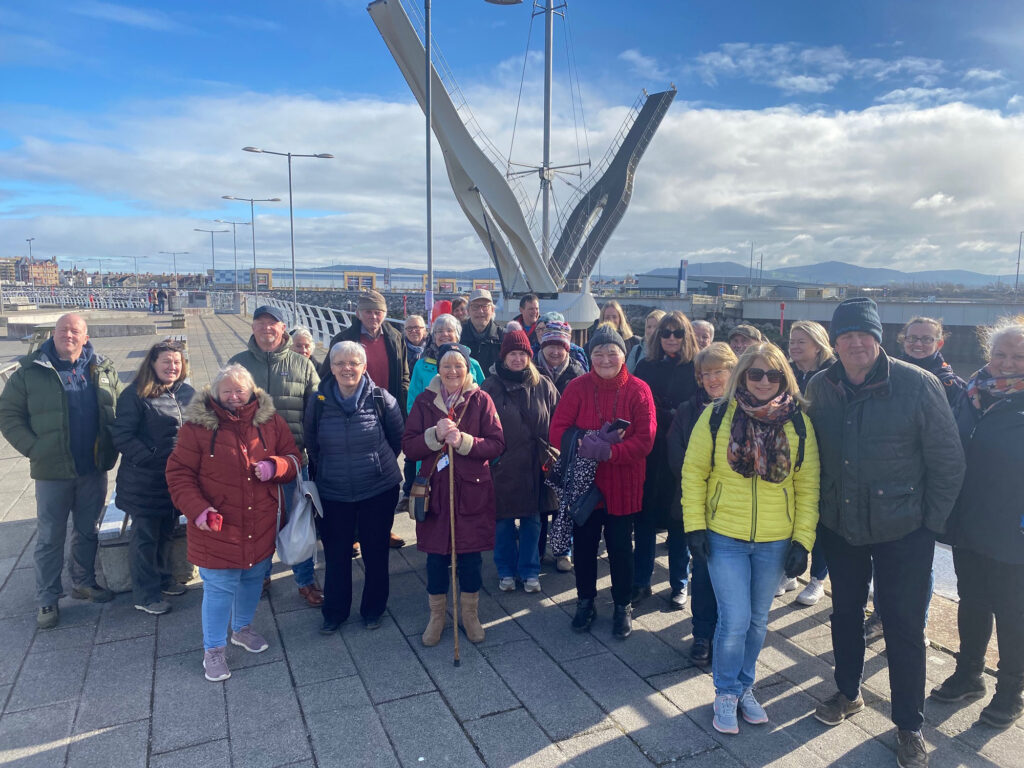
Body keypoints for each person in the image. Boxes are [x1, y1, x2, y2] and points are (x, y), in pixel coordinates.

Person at [806, 298, 964, 768]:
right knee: (845, 614)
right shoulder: (821, 385)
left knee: (903, 627)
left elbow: (948, 461)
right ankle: (848, 691)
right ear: (834, 342)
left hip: (904, 530)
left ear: (879, 338)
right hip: (842, 525)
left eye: (864, 334)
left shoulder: (918, 384)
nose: (856, 343)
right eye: (846, 335)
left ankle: (909, 725)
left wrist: (928, 525)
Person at [682, 342, 820, 735]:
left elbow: (808, 488)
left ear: (784, 379)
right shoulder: (717, 416)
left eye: (772, 375)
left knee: (758, 620)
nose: (763, 381)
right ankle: (725, 691)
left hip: (776, 539)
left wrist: (802, 541)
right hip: (724, 534)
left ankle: (745, 686)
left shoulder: (799, 424)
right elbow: (694, 474)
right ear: (742, 375)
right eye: (755, 373)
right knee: (735, 619)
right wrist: (694, 527)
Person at [166, 365, 300, 682]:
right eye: (226, 390)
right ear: (215, 394)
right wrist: (198, 511)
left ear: (252, 391)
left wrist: (275, 466)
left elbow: (294, 458)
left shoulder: (270, 421)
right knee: (219, 588)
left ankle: (242, 629)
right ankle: (212, 651)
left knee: (254, 578)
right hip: (217, 524)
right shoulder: (196, 427)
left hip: (261, 519)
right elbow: (178, 475)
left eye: (240, 390)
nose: (234, 396)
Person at [930, 317, 1024, 729]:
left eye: (1018, 356)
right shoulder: (972, 394)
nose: (1007, 363)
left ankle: (1011, 692)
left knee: (1013, 612)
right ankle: (969, 674)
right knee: (972, 603)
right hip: (969, 521)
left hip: (1014, 528)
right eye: (1000, 354)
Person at [0, 313, 121, 629]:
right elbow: (8, 414)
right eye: (63, 329)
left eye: (75, 330)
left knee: (87, 529)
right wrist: (33, 448)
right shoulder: (31, 371)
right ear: (53, 334)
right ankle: (47, 598)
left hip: (93, 467)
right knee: (50, 535)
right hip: (52, 469)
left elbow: (121, 408)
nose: (69, 334)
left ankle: (83, 581)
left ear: (86, 336)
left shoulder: (102, 369)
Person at [549, 325, 656, 639]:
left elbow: (645, 440)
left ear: (623, 355)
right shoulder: (577, 387)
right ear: (590, 355)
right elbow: (558, 429)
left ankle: (623, 605)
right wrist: (588, 441)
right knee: (583, 546)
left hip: (624, 482)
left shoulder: (639, 389)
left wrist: (610, 451)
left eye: (612, 352)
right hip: (585, 486)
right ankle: (585, 601)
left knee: (621, 547)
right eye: (599, 353)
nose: (606, 358)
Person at [403, 343, 505, 646]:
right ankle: (437, 616)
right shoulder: (424, 401)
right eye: (446, 365)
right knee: (436, 557)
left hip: (473, 491)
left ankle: (469, 614)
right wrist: (434, 435)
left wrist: (464, 441)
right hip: (435, 492)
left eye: (458, 365)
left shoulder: (481, 400)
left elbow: (497, 444)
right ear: (438, 369)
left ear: (468, 368)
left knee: (471, 557)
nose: (452, 371)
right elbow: (409, 447)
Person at [304, 342, 405, 633]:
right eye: (340, 363)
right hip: (334, 491)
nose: (347, 368)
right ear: (331, 367)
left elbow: (395, 440)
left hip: (378, 488)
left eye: (353, 363)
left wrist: (374, 464)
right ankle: (334, 612)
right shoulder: (318, 401)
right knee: (336, 555)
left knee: (375, 553)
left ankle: (373, 609)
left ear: (364, 366)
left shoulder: (381, 399)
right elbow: (313, 444)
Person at [229, 306, 324, 604]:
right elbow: (222, 408)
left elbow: (316, 411)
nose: (267, 329)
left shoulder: (303, 364)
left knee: (298, 520)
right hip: (250, 462)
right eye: (261, 323)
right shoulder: (238, 364)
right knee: (255, 523)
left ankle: (305, 580)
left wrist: (314, 453)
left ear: (283, 328)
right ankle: (261, 576)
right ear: (253, 326)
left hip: (293, 459)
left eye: (273, 324)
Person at [110, 339, 196, 615]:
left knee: (166, 530)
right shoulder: (135, 394)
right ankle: (145, 594)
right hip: (144, 479)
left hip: (175, 478)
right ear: (153, 363)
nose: (172, 366)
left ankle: (163, 578)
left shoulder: (187, 393)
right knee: (145, 534)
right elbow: (122, 435)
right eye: (166, 361)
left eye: (176, 362)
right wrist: (151, 458)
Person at [667, 342, 738, 663]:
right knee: (704, 573)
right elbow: (677, 455)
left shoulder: (746, 408)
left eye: (718, 372)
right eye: (705, 373)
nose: (711, 379)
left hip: (736, 508)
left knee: (733, 577)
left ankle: (728, 634)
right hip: (700, 503)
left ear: (733, 371)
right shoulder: (687, 409)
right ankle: (702, 635)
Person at [482, 330, 559, 592]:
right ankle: (505, 570)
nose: (517, 359)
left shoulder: (544, 384)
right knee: (502, 522)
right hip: (502, 465)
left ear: (529, 355)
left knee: (533, 521)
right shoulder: (490, 386)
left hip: (536, 466)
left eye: (522, 354)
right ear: (504, 357)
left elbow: (558, 420)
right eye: (512, 354)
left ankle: (530, 571)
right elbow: (480, 425)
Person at [632, 311, 699, 609]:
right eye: (665, 333)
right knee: (645, 519)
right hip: (650, 451)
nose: (671, 338)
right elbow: (637, 404)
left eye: (677, 333)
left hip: (682, 450)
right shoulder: (645, 365)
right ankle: (642, 579)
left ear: (687, 336)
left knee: (679, 520)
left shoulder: (696, 367)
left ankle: (679, 582)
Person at [777, 320, 836, 604]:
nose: (794, 345)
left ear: (818, 344)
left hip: (822, 454)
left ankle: (817, 579)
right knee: (792, 513)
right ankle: (790, 572)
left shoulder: (831, 375)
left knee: (821, 519)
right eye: (792, 340)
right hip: (791, 454)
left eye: (801, 341)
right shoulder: (787, 372)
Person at [534, 320, 586, 571]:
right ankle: (537, 548)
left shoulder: (577, 374)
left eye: (561, 346)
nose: (555, 351)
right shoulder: (531, 370)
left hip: (568, 445)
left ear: (568, 347)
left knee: (565, 500)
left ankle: (563, 549)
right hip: (538, 445)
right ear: (542, 345)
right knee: (540, 499)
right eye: (550, 345)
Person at [322, 290, 410, 415]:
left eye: (377, 312)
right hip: (355, 408)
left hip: (389, 407)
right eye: (368, 312)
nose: (373, 316)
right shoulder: (342, 340)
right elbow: (327, 374)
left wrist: (401, 401)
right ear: (358, 314)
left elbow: (404, 376)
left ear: (384, 315)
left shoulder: (396, 338)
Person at [408, 315, 486, 411]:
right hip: (430, 424)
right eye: (439, 331)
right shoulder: (421, 366)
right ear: (434, 336)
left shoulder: (473, 364)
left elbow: (483, 398)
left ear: (457, 335)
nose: (444, 334)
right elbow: (412, 402)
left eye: (449, 330)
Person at [898, 317, 966, 410]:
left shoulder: (951, 385)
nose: (918, 344)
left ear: (939, 344)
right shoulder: (887, 373)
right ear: (904, 340)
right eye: (912, 338)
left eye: (927, 339)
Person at [461, 288, 504, 376]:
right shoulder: (459, 335)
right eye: (475, 306)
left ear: (492, 310)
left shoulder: (503, 337)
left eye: (485, 306)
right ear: (468, 311)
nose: (480, 311)